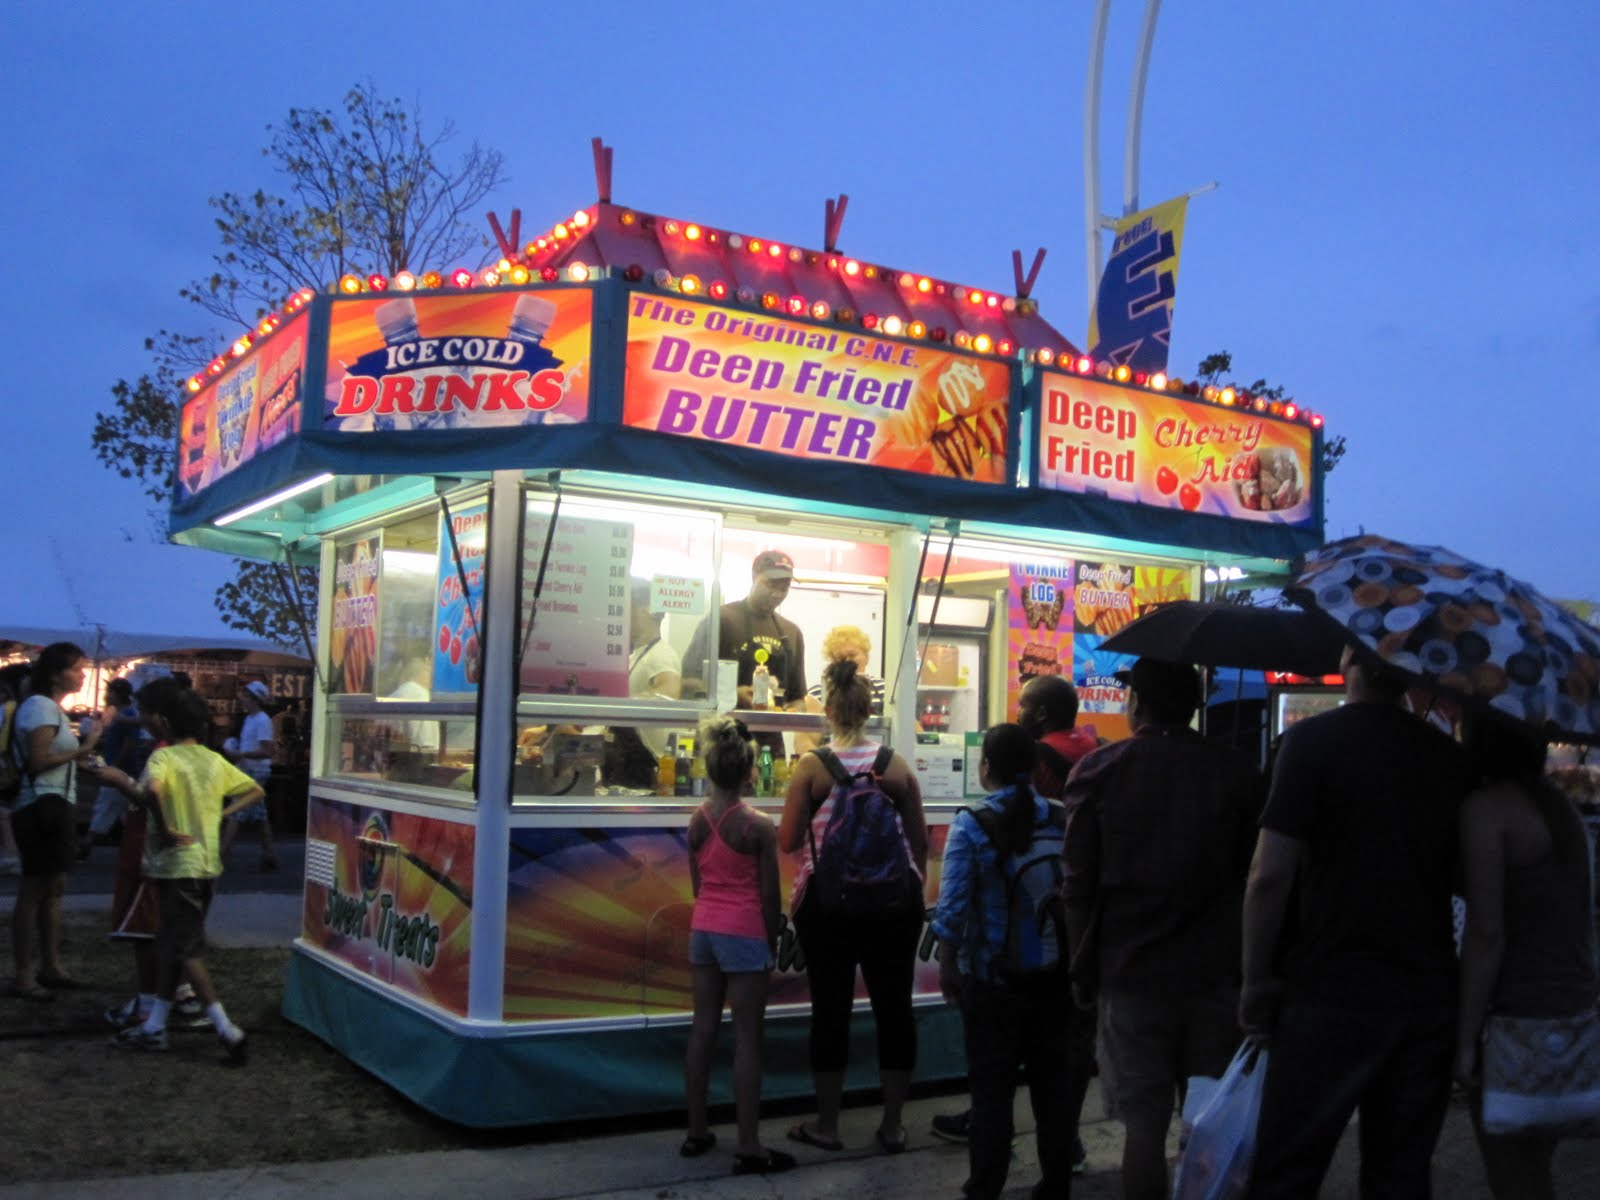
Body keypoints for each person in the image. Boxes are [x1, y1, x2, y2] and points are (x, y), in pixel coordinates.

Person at [1241, 645, 1477, 1197]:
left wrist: (1254, 979)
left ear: (1356, 662)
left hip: (1328, 989)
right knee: (1400, 1172)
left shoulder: (1309, 743)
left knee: (1289, 1166)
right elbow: (1466, 880)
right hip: (1424, 992)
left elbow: (1268, 877)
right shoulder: (1450, 761)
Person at [1061, 658, 1262, 1200]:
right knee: (1208, 1122)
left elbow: (1077, 885)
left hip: (1131, 973)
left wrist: (1082, 967)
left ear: (1138, 704)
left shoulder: (1099, 771)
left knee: (1143, 1128)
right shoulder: (1237, 771)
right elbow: (1256, 878)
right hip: (1218, 973)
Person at [932, 674, 1100, 1170]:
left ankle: (986, 1175)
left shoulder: (978, 819)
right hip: (1061, 963)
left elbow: (956, 902)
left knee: (993, 1082)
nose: (1020, 708)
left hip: (997, 971)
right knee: (1056, 1076)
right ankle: (1062, 1160)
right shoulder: (1093, 760)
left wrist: (948, 961)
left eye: (1026, 703)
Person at [778, 657, 927, 1155]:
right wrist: (908, 883)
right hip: (893, 905)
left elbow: (787, 840)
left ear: (829, 710)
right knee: (895, 1010)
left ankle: (828, 1125)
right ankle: (893, 1125)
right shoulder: (896, 765)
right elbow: (918, 840)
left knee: (831, 1010)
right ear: (869, 710)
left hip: (830, 907)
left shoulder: (812, 767)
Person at [1454, 716, 1599, 1200]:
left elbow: (1486, 934)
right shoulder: (1561, 809)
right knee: (1535, 1170)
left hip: (1514, 1019)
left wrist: (1466, 1037)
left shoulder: (1486, 811)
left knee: (1513, 1176)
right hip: (1572, 1009)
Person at [88, 688, 260, 1059]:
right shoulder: (213, 760)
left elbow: (151, 792)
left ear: (164, 722)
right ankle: (154, 1026)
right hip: (207, 864)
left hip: (174, 865)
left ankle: (225, 1026)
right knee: (170, 943)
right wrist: (224, 815)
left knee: (185, 949)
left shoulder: (164, 757)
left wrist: (160, 823)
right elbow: (255, 790)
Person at [679, 715, 794, 1176]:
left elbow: (696, 884)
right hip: (744, 932)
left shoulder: (696, 820)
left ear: (708, 769)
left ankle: (697, 1130)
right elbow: (769, 894)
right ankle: (749, 1143)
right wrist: (771, 937)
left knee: (702, 1029)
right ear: (750, 772)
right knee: (748, 1038)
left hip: (703, 928)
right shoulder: (758, 826)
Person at [101, 675, 207, 1032]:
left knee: (147, 932)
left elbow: (154, 800)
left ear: (162, 717)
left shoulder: (165, 754)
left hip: (151, 852)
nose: (140, 719)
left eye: (145, 712)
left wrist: (119, 781)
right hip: (170, 851)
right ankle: (176, 994)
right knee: (167, 930)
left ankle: (150, 1003)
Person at [7, 643, 101, 1001]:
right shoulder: (41, 707)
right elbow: (39, 760)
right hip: (41, 804)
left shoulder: (48, 708)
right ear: (57, 672)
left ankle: (49, 965)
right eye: (77, 668)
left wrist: (81, 761)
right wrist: (85, 747)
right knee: (35, 889)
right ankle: (24, 973)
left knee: (54, 887)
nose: (82, 674)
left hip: (54, 801)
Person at [683, 550, 806, 757]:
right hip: (721, 743)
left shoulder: (791, 633)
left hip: (769, 750)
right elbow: (686, 683)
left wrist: (791, 713)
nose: (777, 593)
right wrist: (733, 695)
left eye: (784, 587)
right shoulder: (721, 620)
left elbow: (797, 698)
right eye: (770, 584)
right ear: (753, 576)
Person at [220, 680, 279, 871]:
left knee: (237, 810)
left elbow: (268, 750)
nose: (242, 697)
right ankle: (269, 853)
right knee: (260, 815)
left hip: (255, 770)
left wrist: (241, 754)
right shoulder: (250, 719)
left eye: (245, 694)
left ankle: (222, 853)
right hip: (250, 769)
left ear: (254, 698)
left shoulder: (262, 720)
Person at [84, 678, 142, 849]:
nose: (106, 695)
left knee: (104, 807)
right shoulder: (116, 713)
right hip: (119, 769)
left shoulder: (128, 715)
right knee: (124, 810)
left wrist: (114, 766)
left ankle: (87, 843)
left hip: (122, 770)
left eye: (110, 691)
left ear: (118, 694)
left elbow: (130, 743)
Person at [628, 576, 682, 757]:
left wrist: (622, 704)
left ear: (646, 611)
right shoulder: (638, 654)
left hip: (650, 763)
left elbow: (669, 693)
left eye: (627, 608)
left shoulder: (660, 655)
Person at [0, 661, 31, 876]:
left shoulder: (8, 708)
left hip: (6, 764)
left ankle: (11, 853)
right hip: (20, 766)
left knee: (4, 809)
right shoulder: (26, 707)